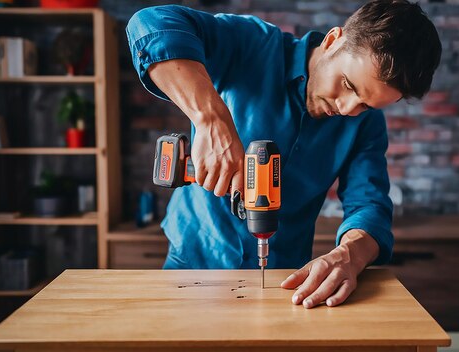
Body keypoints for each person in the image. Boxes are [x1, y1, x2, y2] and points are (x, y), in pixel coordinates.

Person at [126, 0, 441, 309]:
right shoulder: (253, 45)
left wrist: (349, 256)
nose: (347, 109)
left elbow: (369, 206)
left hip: (285, 279)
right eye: (347, 85)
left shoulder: (366, 124)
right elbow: (152, 23)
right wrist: (210, 118)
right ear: (333, 41)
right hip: (193, 262)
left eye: (366, 105)